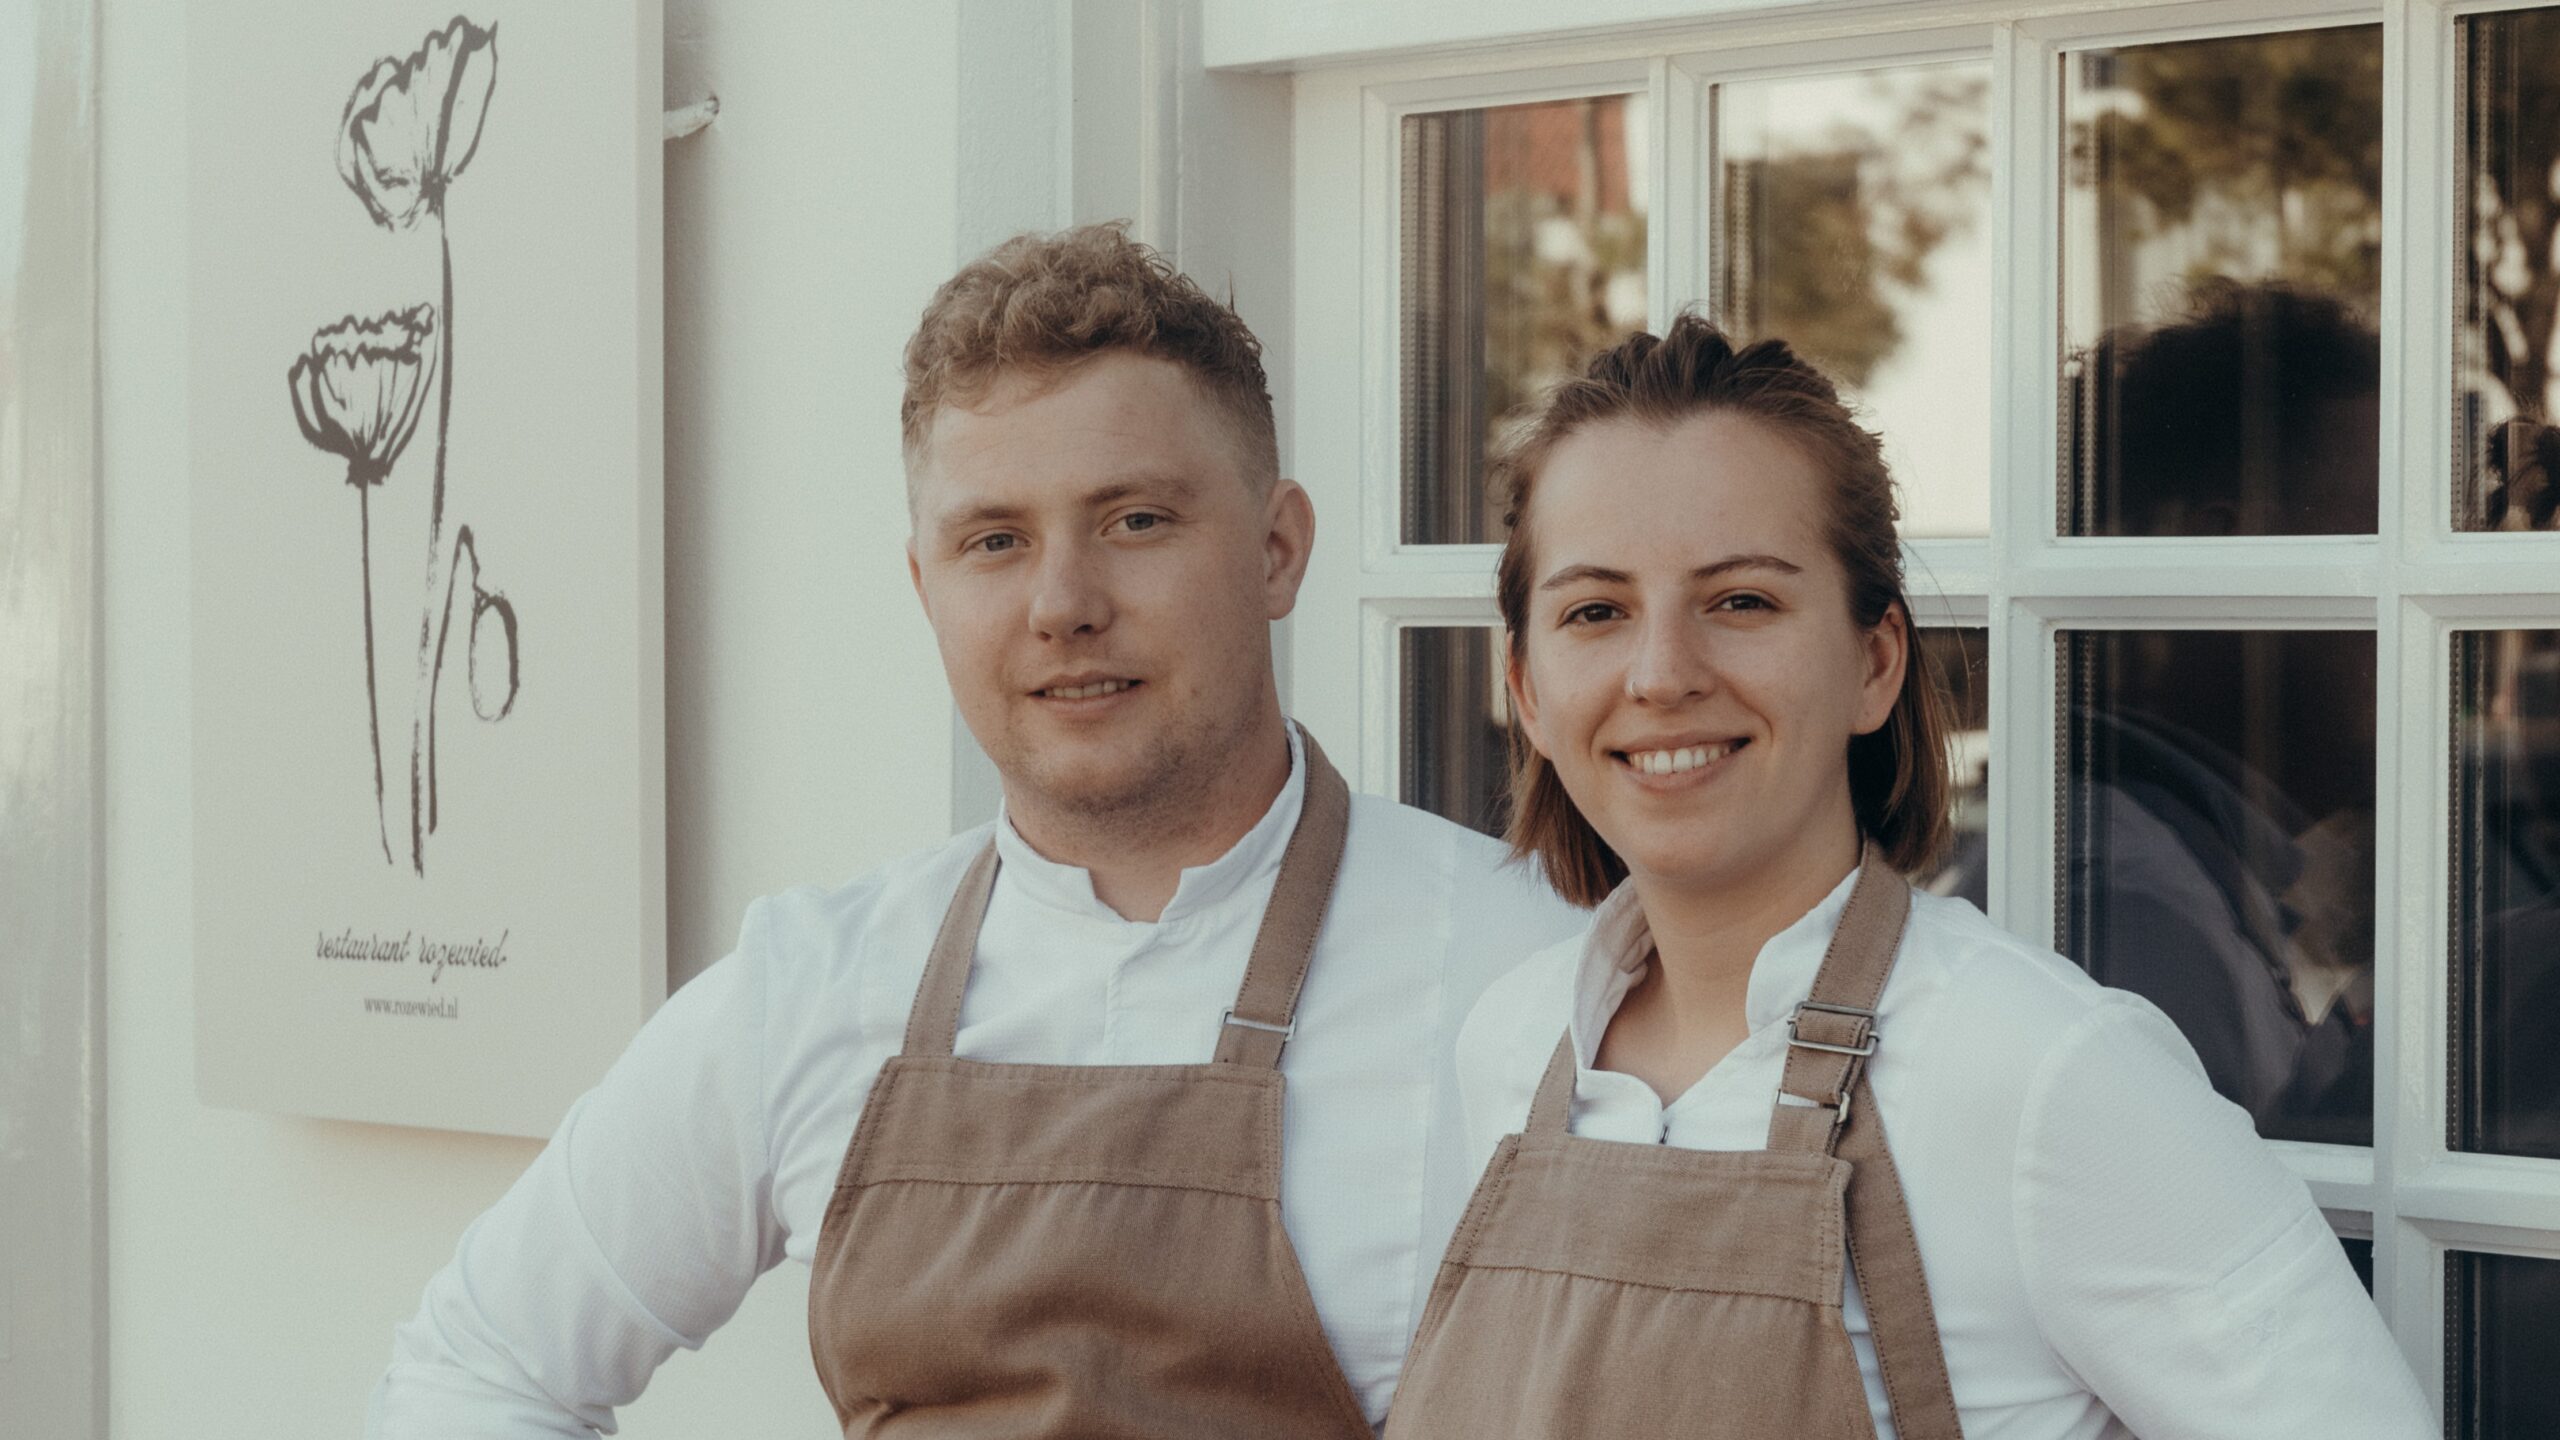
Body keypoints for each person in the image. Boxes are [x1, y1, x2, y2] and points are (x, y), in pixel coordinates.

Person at [365, 224, 1585, 1436]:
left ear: (1276, 551)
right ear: (924, 586)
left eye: (1135, 522)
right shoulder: (812, 987)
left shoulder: (1523, 971)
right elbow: (477, 1368)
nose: (1063, 605)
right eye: (994, 542)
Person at [1384, 315, 2435, 1437]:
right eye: (1595, 612)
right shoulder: (1508, 1044)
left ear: (1875, 663)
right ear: (1528, 689)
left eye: (1741, 600)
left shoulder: (2047, 1073)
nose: (1661, 673)